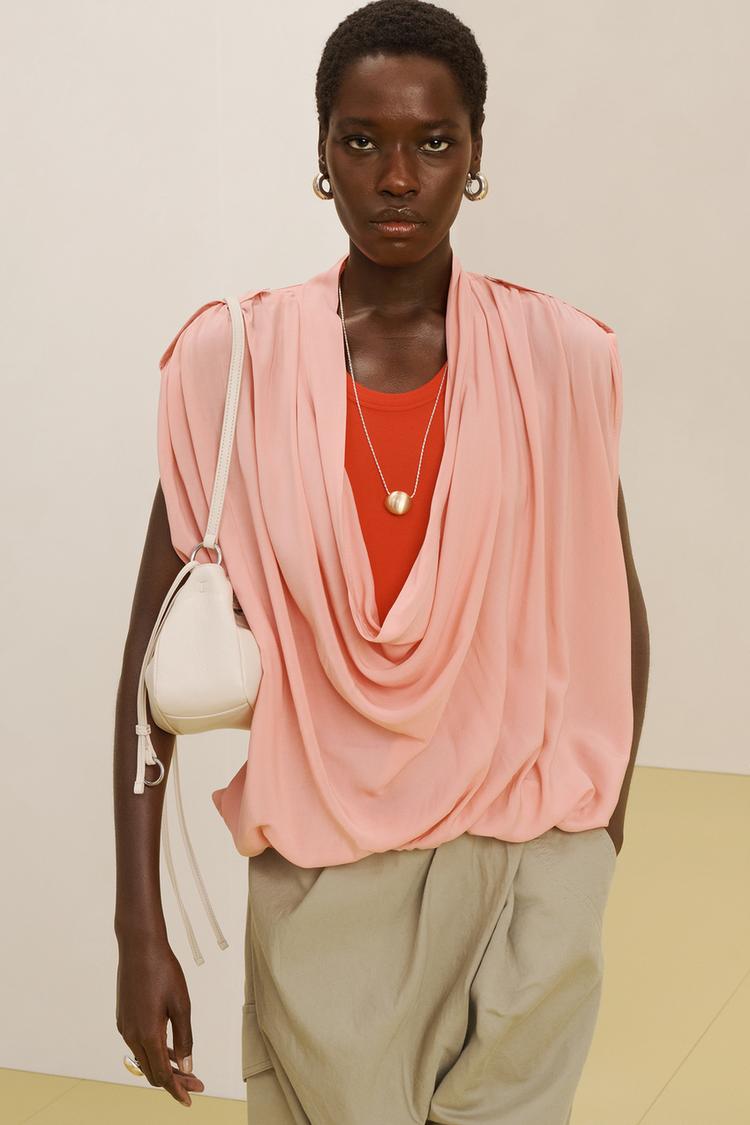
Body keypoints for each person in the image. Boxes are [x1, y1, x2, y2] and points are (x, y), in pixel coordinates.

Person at [113, 1, 650, 1121]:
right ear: (322, 152)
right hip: (326, 886)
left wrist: (601, 833)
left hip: (530, 863)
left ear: (476, 154)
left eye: (433, 142)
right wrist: (139, 926)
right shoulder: (235, 361)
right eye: (362, 141)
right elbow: (147, 664)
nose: (397, 179)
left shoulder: (559, 354)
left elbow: (616, 600)